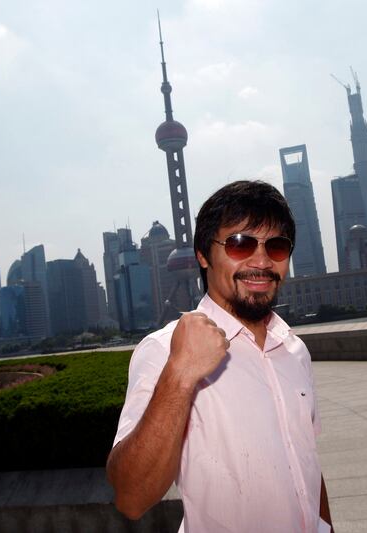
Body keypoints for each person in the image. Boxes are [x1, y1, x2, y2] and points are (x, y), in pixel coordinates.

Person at [106, 180, 333, 533]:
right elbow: (131, 498)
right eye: (240, 244)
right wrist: (179, 375)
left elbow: (305, 465)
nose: (261, 260)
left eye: (276, 246)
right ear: (202, 254)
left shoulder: (294, 349)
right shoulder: (164, 351)